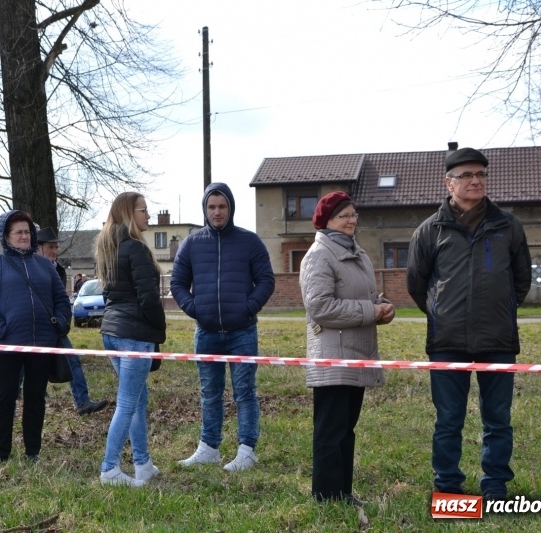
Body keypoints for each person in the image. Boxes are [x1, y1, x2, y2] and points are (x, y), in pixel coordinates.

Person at [407, 147, 532, 500]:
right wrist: (442, 312)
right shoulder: (430, 230)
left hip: (498, 340)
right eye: (466, 175)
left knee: (498, 420)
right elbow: (418, 285)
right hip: (447, 341)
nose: (475, 180)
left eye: (481, 174)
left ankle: (495, 486)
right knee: (448, 420)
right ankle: (448, 486)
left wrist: (501, 309)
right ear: (449, 183)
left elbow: (521, 281)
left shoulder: (509, 225)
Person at [299, 191, 395, 505]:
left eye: (354, 214)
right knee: (330, 431)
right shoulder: (318, 255)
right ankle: (325, 498)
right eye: (344, 215)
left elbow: (358, 299)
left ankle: (342, 493)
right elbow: (321, 308)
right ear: (327, 221)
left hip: (356, 354)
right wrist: (370, 311)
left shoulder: (358, 253)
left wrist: (380, 308)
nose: (352, 220)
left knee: (346, 429)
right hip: (332, 357)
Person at [171, 182, 275, 471]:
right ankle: (209, 447)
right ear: (205, 209)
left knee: (244, 391)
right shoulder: (192, 244)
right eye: (212, 207)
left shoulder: (249, 241)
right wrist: (196, 310)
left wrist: (248, 308)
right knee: (209, 392)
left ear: (231, 208)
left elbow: (266, 280)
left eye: (222, 206)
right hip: (206, 333)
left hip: (242, 332)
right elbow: (177, 283)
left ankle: (247, 450)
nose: (217, 212)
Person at [0, 212, 72, 464]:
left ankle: (33, 452)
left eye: (27, 232)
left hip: (41, 344)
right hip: (5, 347)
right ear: (6, 236)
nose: (24, 236)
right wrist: (2, 329)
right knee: (5, 398)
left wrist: (60, 325)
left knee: (36, 398)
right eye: (18, 232)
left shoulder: (44, 266)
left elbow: (61, 300)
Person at [95, 192, 166, 486]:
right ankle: (110, 468)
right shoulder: (136, 249)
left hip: (111, 333)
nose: (147, 216)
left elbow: (109, 296)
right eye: (143, 210)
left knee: (137, 400)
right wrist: (159, 331)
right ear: (128, 214)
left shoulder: (109, 247)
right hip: (133, 336)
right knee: (127, 403)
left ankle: (143, 463)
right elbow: (148, 298)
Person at [36, 227, 108, 416]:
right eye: (50, 247)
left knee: (72, 360)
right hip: (33, 328)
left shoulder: (58, 269)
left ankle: (83, 402)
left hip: (55, 327)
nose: (54, 251)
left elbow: (60, 299)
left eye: (56, 247)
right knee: (29, 365)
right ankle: (27, 395)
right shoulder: (29, 268)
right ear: (38, 248)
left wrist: (62, 321)